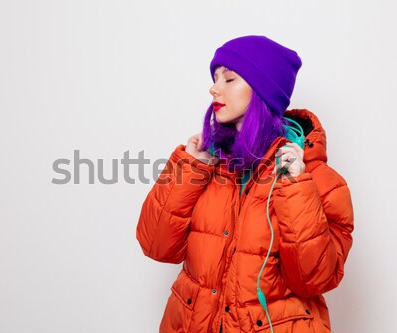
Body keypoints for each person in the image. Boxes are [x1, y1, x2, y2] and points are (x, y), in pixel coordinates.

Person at [136, 35, 354, 333]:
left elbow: (314, 278)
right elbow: (156, 246)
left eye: (229, 79)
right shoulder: (205, 162)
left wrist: (295, 188)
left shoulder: (319, 180)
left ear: (262, 90)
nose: (214, 88)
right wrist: (190, 168)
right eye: (215, 79)